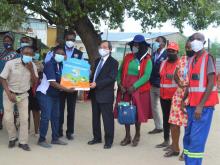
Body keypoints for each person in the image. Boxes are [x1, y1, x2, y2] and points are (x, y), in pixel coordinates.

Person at [183, 33, 219, 165]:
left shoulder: (207, 58)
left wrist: (201, 105)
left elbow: (211, 82)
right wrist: (184, 99)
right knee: (188, 138)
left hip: (203, 107)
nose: (195, 41)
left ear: (203, 42)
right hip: (191, 105)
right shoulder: (191, 59)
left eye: (199, 39)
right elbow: (191, 83)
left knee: (196, 140)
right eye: (193, 39)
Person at [114, 35, 152, 147]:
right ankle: (127, 136)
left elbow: (146, 76)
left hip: (138, 89)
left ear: (142, 46)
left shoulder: (147, 59)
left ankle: (137, 134)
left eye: (137, 45)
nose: (135, 47)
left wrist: (134, 86)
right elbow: (119, 72)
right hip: (124, 88)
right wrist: (120, 83)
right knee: (125, 110)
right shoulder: (127, 57)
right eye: (133, 45)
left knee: (136, 112)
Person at [0, 46, 38, 151]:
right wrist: (8, 94)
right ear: (21, 52)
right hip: (9, 93)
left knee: (24, 119)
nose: (28, 56)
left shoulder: (33, 65)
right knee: (8, 118)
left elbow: (35, 81)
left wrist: (31, 69)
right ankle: (12, 137)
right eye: (26, 53)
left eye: (30, 54)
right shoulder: (11, 63)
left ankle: (23, 142)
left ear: (32, 56)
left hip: (23, 95)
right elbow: (2, 78)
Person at [36, 46, 75, 148]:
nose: (61, 55)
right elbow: (52, 83)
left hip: (55, 95)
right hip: (45, 94)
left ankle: (55, 138)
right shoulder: (49, 64)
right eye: (59, 53)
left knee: (56, 117)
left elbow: (66, 78)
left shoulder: (61, 65)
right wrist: (67, 90)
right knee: (46, 117)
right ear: (53, 54)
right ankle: (41, 139)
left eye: (63, 54)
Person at [164, 37, 194, 158]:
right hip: (178, 94)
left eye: (190, 47)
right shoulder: (182, 59)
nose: (188, 50)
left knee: (188, 125)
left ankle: (186, 151)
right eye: (186, 47)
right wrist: (179, 82)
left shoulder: (198, 61)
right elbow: (175, 75)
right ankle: (175, 148)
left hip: (191, 95)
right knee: (174, 123)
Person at [88, 40, 118, 149]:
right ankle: (97, 137)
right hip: (94, 94)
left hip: (105, 94)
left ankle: (109, 141)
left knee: (107, 119)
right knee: (95, 118)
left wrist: (97, 84)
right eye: (101, 47)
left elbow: (111, 78)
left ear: (110, 49)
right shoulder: (97, 61)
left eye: (105, 47)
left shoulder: (114, 62)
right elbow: (94, 76)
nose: (102, 49)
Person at [156, 42, 179, 148]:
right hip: (163, 95)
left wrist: (174, 76)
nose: (170, 53)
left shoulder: (180, 63)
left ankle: (174, 144)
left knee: (174, 121)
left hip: (175, 97)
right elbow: (161, 75)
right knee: (166, 118)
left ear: (177, 52)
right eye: (168, 51)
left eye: (172, 51)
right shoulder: (164, 62)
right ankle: (166, 140)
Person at [0, 33, 20, 130]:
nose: (6, 42)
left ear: (12, 42)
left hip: (12, 83)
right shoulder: (1, 54)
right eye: (5, 41)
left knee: (14, 103)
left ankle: (14, 123)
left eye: (8, 41)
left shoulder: (17, 55)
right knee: (0, 103)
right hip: (1, 83)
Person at [149, 36, 167, 134]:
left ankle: (167, 128)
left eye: (158, 41)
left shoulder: (167, 54)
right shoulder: (153, 54)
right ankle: (158, 126)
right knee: (154, 107)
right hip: (152, 84)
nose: (155, 43)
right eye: (155, 41)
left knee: (165, 108)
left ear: (163, 43)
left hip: (162, 85)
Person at [28, 49, 43, 136]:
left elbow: (40, 73)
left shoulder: (40, 64)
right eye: (34, 53)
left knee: (36, 111)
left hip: (35, 89)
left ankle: (37, 131)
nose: (35, 54)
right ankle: (27, 129)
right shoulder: (23, 62)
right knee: (26, 111)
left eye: (36, 53)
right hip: (26, 88)